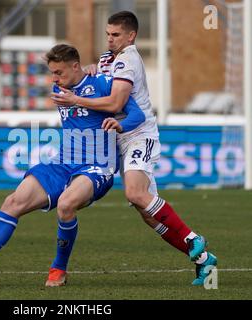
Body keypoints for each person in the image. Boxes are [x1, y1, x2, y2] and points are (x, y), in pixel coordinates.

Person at [0, 44, 146, 286]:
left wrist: (120, 125)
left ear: (75, 67)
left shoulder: (105, 84)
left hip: (97, 166)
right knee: (13, 201)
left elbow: (138, 115)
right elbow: (78, 92)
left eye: (59, 72)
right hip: (63, 162)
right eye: (52, 72)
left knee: (65, 205)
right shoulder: (60, 87)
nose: (54, 79)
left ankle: (58, 269)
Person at [51, 11, 217, 286]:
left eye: (115, 35)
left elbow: (116, 104)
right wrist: (90, 70)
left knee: (135, 193)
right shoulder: (108, 60)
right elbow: (100, 79)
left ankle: (193, 238)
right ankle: (203, 261)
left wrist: (76, 99)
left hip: (138, 134)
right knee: (148, 213)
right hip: (119, 138)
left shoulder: (128, 59)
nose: (110, 39)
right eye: (107, 34)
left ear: (131, 36)